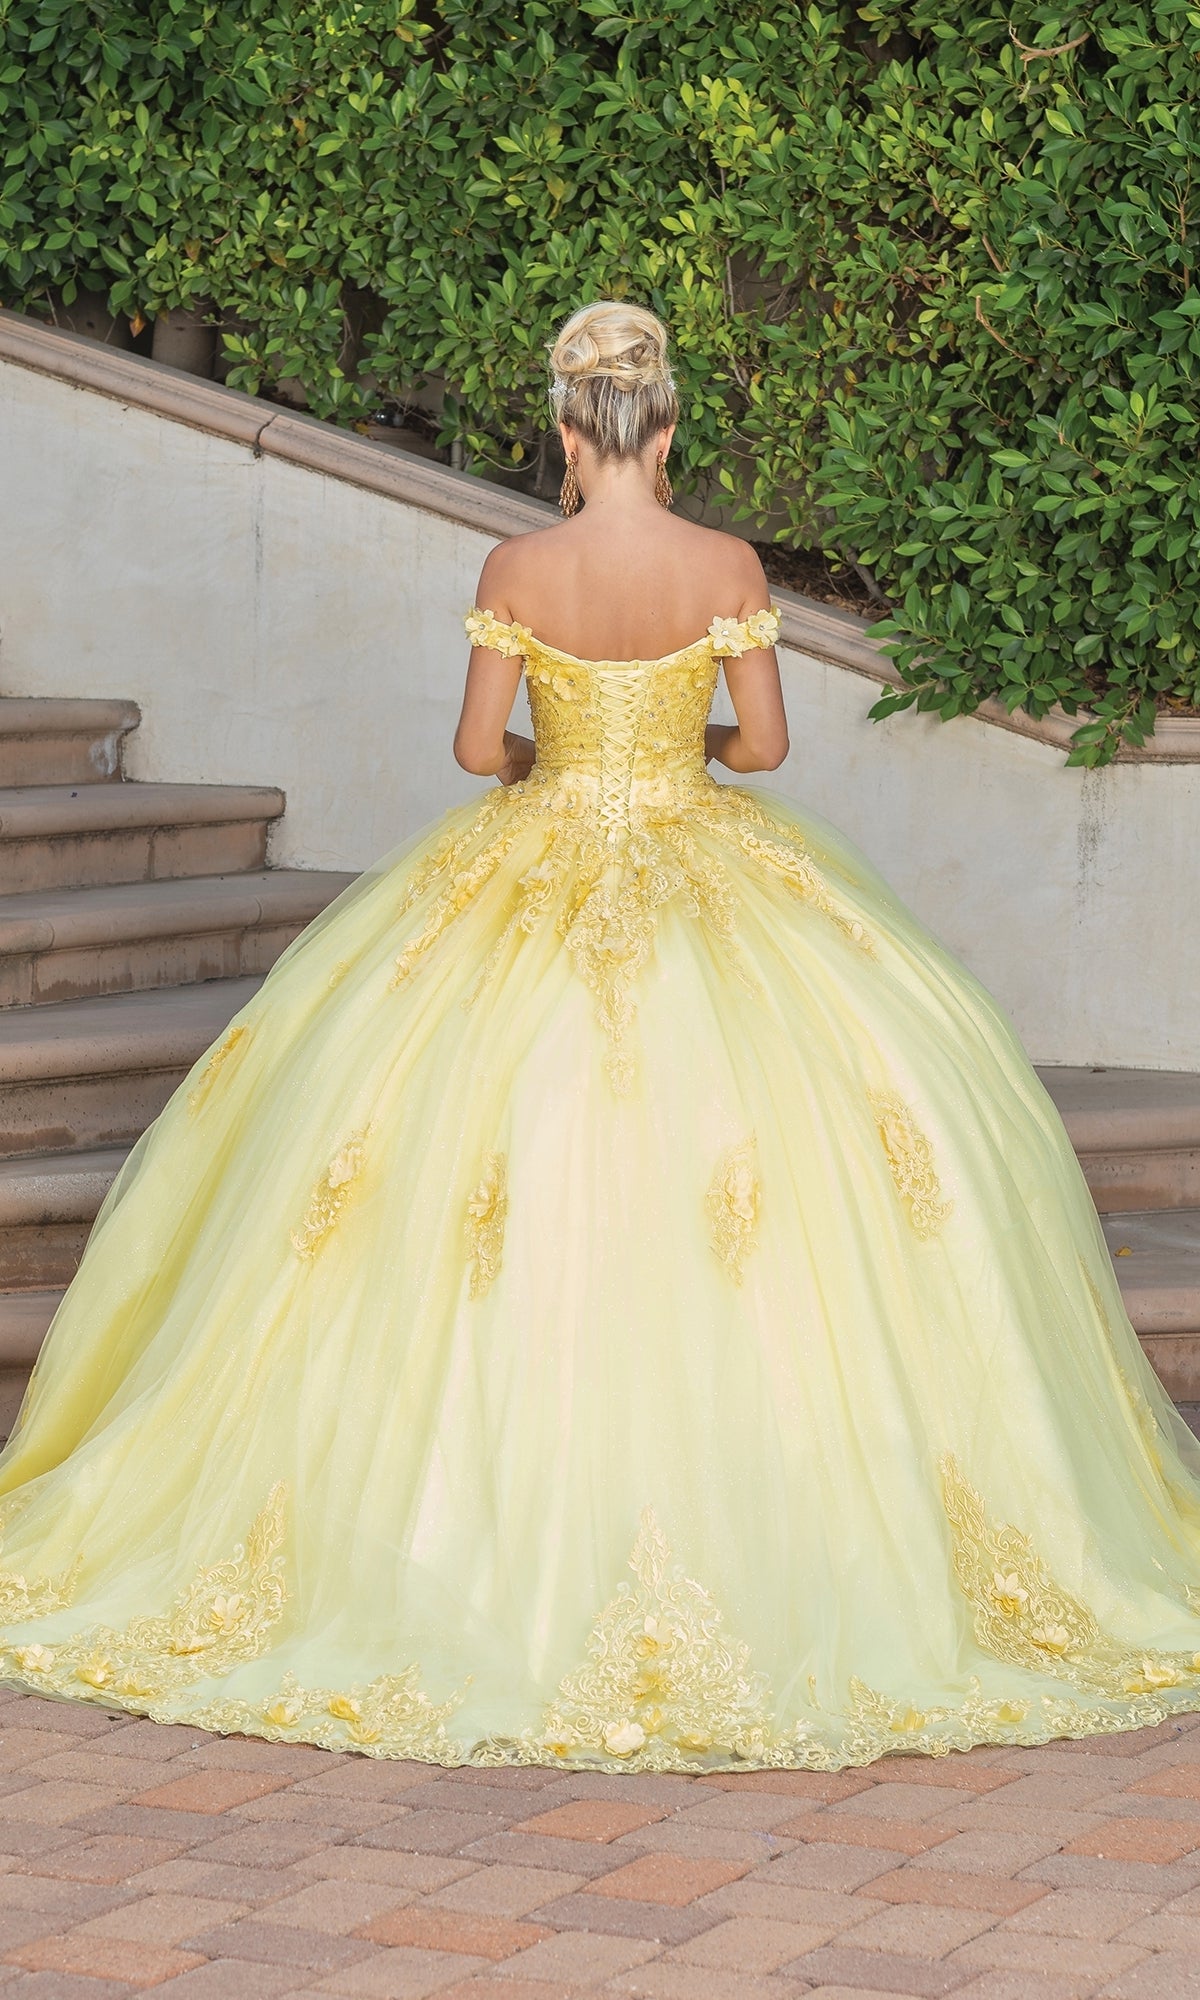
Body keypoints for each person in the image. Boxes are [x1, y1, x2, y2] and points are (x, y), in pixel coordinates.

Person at [1, 301, 1198, 1775]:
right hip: (709, 862)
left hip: (535, 847)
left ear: (567, 436)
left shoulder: (521, 563)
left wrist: (555, 755)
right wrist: (674, 742)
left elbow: (468, 750)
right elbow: (763, 750)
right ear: (668, 428)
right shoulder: (726, 567)